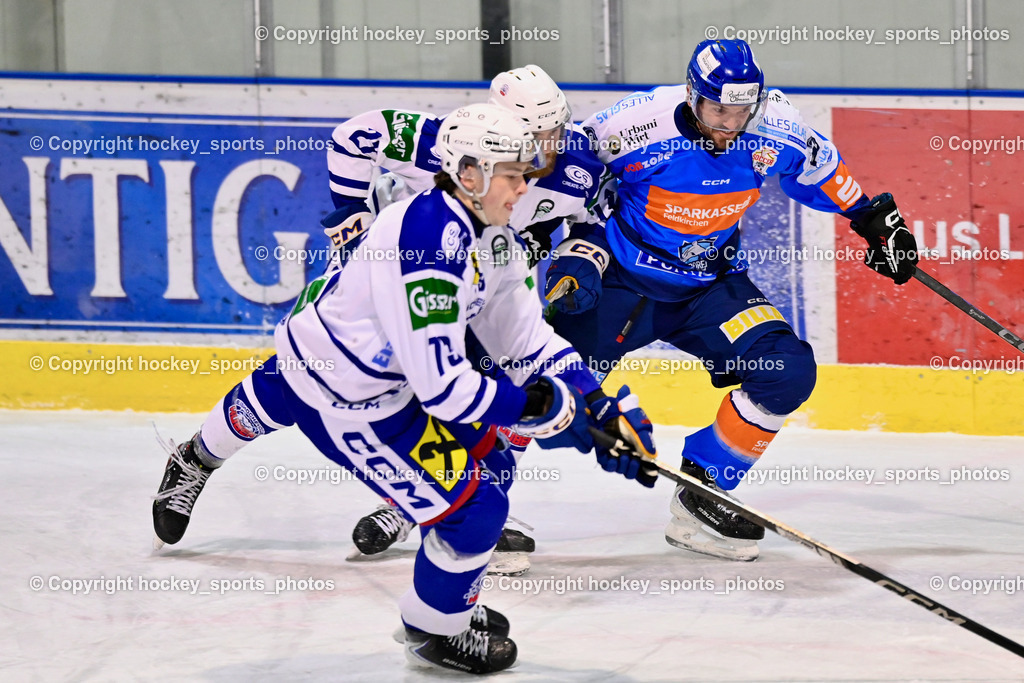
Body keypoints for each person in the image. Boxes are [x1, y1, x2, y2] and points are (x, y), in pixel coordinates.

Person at [152, 102, 656, 674]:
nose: (526, 189)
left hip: (353, 365)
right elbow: (443, 389)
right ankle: (433, 631)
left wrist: (595, 401)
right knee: (475, 509)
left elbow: (523, 338)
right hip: (352, 401)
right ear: (471, 174)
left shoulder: (490, 236)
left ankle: (439, 602)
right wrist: (545, 409)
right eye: (514, 176)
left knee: (490, 466)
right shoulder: (424, 243)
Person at [543, 39, 919, 562]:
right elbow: (572, 181)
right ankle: (452, 502)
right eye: (720, 109)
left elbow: (819, 166)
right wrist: (571, 252)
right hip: (624, 284)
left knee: (787, 370)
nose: (731, 122)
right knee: (537, 380)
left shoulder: (772, 126)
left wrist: (873, 219)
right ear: (694, 96)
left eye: (742, 110)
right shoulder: (632, 126)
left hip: (710, 287)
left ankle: (702, 494)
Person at [323, 64, 610, 573]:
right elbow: (353, 136)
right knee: (417, 395)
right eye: (539, 135)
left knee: (514, 392)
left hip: (491, 291)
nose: (552, 146)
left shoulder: (578, 163)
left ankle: (471, 504)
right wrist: (352, 216)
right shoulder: (440, 142)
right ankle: (415, 501)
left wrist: (578, 261)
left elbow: (591, 224)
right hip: (413, 288)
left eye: (557, 130)